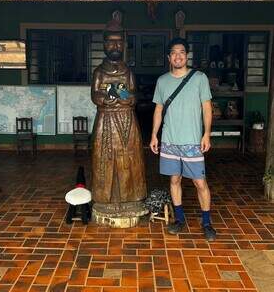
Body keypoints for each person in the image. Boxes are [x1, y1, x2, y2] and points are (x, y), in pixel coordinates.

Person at [150, 37, 216, 241]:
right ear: (169, 57)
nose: (177, 56)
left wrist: (206, 133)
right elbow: (159, 109)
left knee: (199, 182)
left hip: (192, 141)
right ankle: (179, 219)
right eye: (173, 53)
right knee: (174, 179)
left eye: (181, 52)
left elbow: (206, 107)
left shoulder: (199, 78)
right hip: (169, 141)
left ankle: (206, 223)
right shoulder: (162, 81)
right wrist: (154, 134)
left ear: (186, 55)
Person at [91, 15, 146, 206]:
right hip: (105, 121)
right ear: (104, 45)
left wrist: (120, 95)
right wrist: (110, 97)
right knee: (103, 158)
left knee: (131, 157)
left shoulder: (128, 72)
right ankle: (104, 196)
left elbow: (132, 96)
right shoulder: (99, 71)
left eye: (119, 43)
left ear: (124, 45)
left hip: (127, 121)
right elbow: (95, 97)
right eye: (111, 43)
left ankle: (132, 195)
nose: (115, 47)